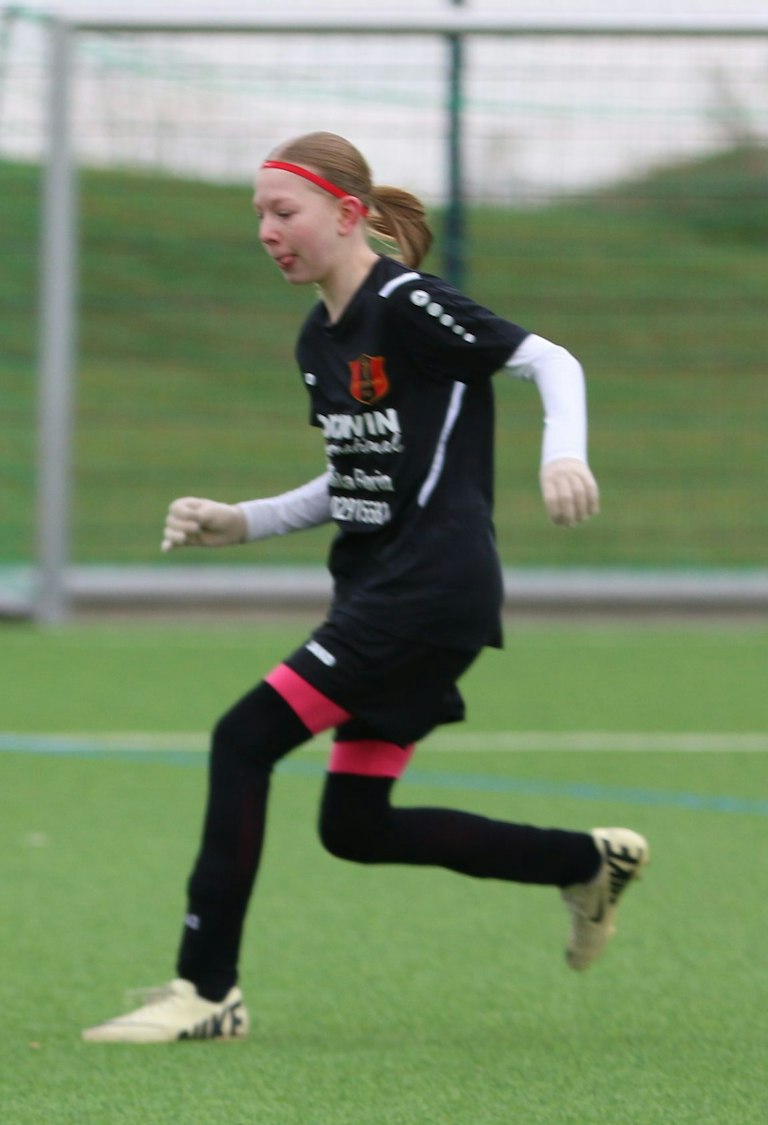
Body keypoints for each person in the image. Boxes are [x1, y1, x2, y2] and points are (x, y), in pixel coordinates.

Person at [82, 132, 648, 1044]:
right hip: (387, 593)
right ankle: (585, 862)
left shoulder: (410, 304)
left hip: (428, 589)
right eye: (258, 215)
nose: (267, 231)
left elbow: (553, 361)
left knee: (244, 738)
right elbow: (353, 476)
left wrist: (563, 453)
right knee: (356, 825)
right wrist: (244, 519)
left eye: (283, 212)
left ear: (348, 216)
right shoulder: (320, 338)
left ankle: (208, 989)